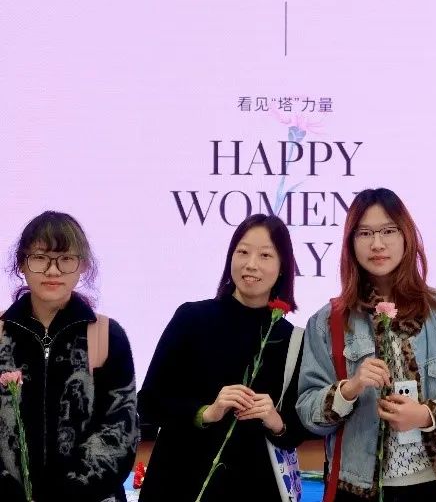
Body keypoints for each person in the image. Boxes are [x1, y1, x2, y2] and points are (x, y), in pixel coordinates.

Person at [296, 187, 436, 502]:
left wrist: (427, 415)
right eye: (365, 233)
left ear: (406, 236)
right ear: (351, 243)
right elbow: (308, 412)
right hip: (358, 489)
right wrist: (349, 389)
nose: (377, 244)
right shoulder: (327, 322)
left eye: (388, 231)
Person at [137, 214, 311, 501]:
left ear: (283, 267)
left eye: (265, 255)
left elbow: (297, 431)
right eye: (242, 252)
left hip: (254, 488)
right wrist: (207, 412)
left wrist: (275, 420)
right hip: (179, 483)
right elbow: (149, 403)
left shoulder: (293, 339)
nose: (251, 264)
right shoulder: (192, 318)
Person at [0, 211, 138, 502]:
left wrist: (68, 493)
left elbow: (119, 431)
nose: (53, 271)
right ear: (22, 263)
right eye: (40, 258)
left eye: (65, 258)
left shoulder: (106, 335)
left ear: (83, 265)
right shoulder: (1, 335)